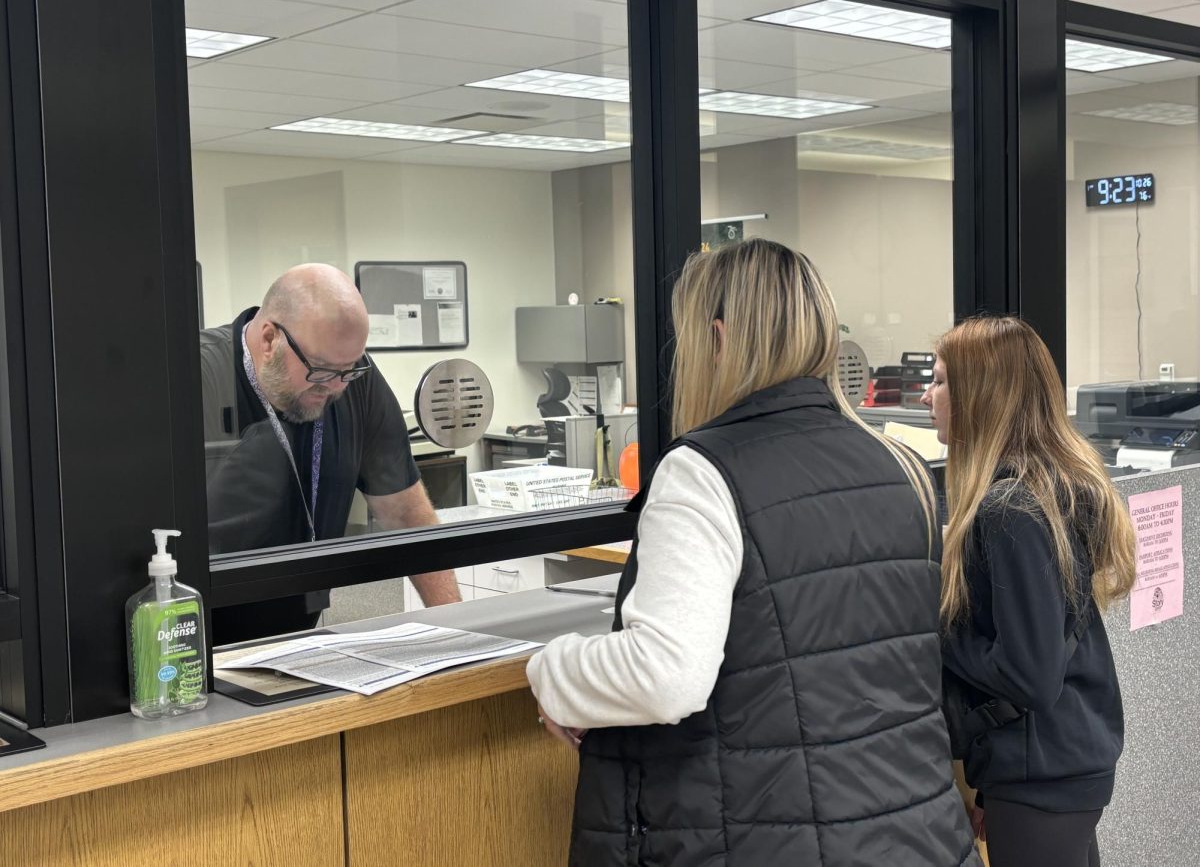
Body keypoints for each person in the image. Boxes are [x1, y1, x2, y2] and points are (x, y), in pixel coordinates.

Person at [527, 239, 981, 866]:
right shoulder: (899, 465)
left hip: (765, 840)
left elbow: (665, 677)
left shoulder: (703, 471)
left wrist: (554, 672)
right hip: (917, 834)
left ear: (717, 340)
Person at [922, 316, 1136, 867]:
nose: (927, 395)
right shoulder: (1048, 489)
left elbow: (1030, 675)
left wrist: (936, 629)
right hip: (1060, 760)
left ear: (980, 396)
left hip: (1043, 774)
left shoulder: (1009, 510)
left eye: (941, 380)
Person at [201, 263, 460, 643]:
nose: (336, 387)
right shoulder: (197, 377)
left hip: (297, 638)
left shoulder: (356, 382)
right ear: (270, 339)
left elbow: (406, 515)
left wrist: (455, 630)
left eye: (348, 369)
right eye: (321, 371)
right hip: (197, 645)